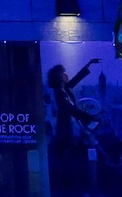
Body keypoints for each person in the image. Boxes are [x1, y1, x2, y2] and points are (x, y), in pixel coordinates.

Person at [46, 59, 100, 197]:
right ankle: (71, 189)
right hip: (66, 130)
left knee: (73, 156)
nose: (66, 75)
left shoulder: (65, 89)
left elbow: (76, 79)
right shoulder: (59, 93)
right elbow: (70, 110)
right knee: (69, 158)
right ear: (59, 77)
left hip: (72, 128)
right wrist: (90, 117)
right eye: (63, 73)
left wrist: (88, 65)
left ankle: (75, 187)